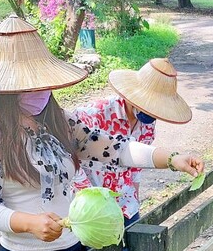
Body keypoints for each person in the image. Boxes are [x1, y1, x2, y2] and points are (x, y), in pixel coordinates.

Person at [0, 15, 204, 251]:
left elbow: (115, 148)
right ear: (6, 88)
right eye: (30, 85)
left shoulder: (59, 120)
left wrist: (171, 159)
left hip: (77, 250)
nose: (41, 92)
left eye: (44, 82)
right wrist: (28, 222)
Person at [71, 58, 193, 240]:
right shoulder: (95, 114)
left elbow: (136, 166)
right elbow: (71, 159)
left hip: (126, 201)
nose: (151, 112)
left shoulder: (147, 126)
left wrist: (135, 197)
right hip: (94, 204)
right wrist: (88, 199)